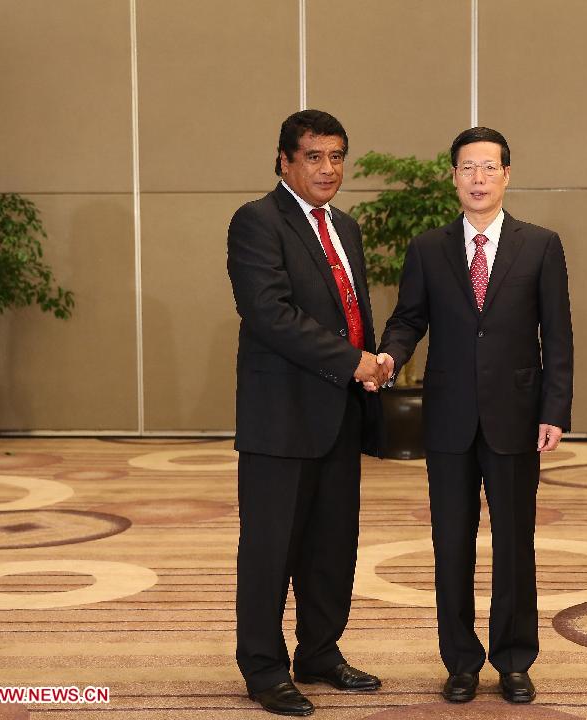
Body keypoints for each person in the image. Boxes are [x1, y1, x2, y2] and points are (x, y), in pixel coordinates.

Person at [375, 127, 573, 704]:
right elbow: (409, 317)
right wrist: (390, 353)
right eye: (468, 168)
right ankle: (460, 661)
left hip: (516, 416)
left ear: (507, 175)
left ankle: (514, 660)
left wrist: (554, 408)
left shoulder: (540, 244)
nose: (478, 178)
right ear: (453, 177)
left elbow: (557, 335)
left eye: (489, 168)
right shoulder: (428, 248)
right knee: (450, 544)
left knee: (515, 543)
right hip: (449, 420)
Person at [227, 109, 390, 717]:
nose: (329, 169)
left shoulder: (344, 227)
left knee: (332, 544)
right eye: (315, 157)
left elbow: (351, 311)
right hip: (281, 415)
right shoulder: (257, 222)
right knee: (270, 547)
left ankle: (319, 652)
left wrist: (369, 367)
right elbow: (269, 313)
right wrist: (354, 361)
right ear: (284, 161)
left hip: (340, 412)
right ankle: (263, 668)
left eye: (338, 156)